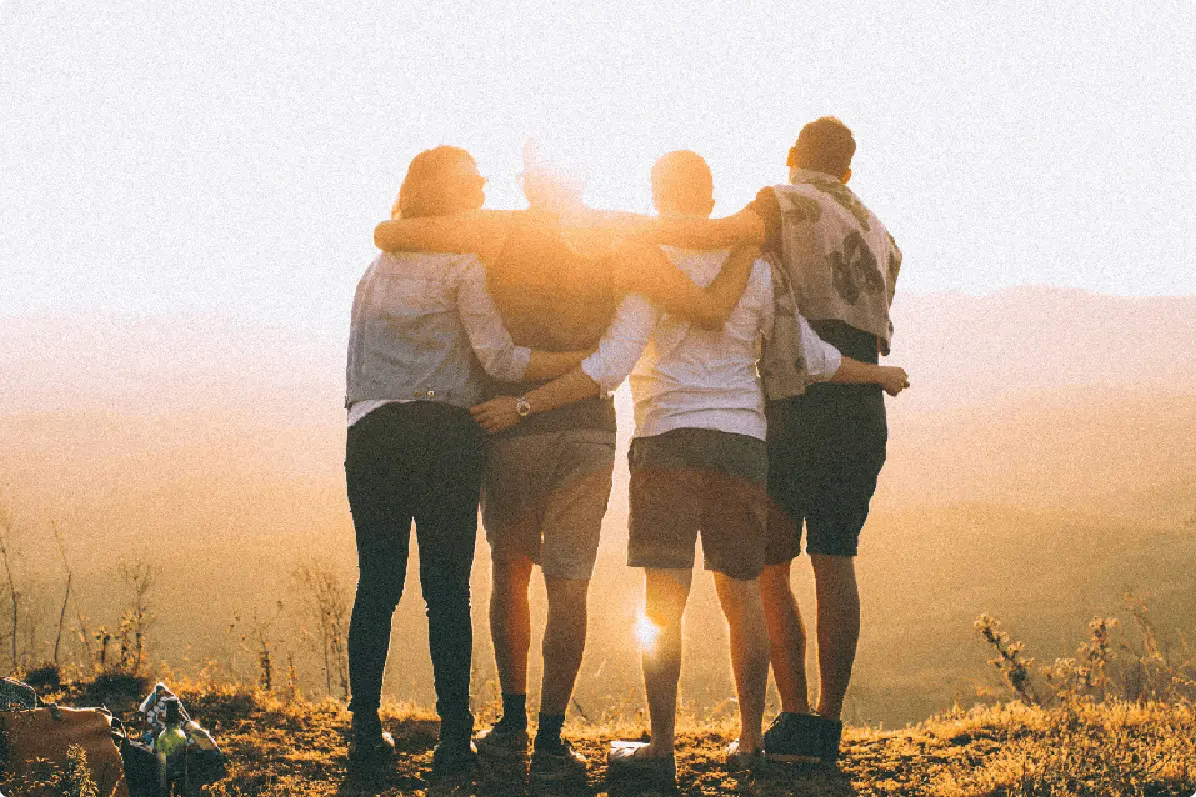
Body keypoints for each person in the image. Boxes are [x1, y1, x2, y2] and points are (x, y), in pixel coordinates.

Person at [470, 150, 909, 789]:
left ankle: (664, 746)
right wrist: (880, 374)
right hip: (742, 444)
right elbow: (809, 356)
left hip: (665, 442)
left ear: (657, 195)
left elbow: (611, 363)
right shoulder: (759, 269)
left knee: (664, 601)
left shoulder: (649, 267)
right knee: (742, 597)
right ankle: (753, 742)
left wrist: (527, 401)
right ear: (712, 199)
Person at [367, 146, 759, 788]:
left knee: (509, 571)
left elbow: (395, 232)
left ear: (527, 184)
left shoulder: (496, 230)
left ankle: (513, 722)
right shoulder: (613, 233)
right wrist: (748, 233)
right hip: (588, 429)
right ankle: (551, 735)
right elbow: (690, 241)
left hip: (513, 425)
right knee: (569, 582)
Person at [343, 146, 592, 781]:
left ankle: (365, 732)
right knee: (445, 590)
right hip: (445, 435)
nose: (483, 189)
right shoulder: (464, 268)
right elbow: (502, 361)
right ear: (449, 196)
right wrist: (579, 361)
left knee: (377, 585)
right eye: (473, 182)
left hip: (371, 431)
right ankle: (455, 739)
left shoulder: (375, 270)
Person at [749, 117, 904, 766]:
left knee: (772, 561)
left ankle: (795, 715)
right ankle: (831, 722)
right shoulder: (879, 231)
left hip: (795, 403)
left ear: (792, 156)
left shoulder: (776, 203)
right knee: (836, 557)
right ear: (848, 169)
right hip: (862, 408)